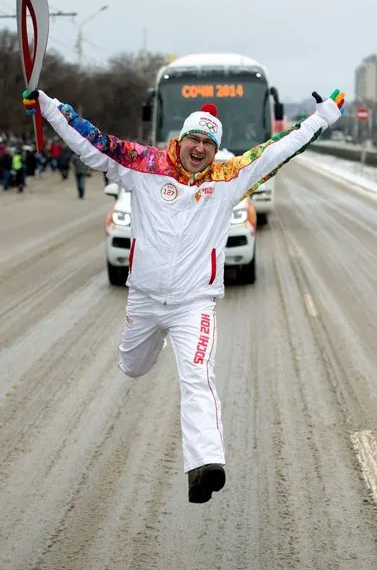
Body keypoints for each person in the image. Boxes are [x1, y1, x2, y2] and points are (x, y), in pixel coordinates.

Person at [23, 87, 345, 503]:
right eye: (194, 138)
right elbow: (92, 140)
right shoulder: (143, 166)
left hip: (195, 303)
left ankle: (204, 465)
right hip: (144, 298)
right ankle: (148, 349)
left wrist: (320, 119)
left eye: (209, 142)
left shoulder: (229, 178)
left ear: (216, 149)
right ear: (181, 139)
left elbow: (277, 150)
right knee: (133, 366)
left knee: (198, 378)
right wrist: (48, 105)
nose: (200, 148)